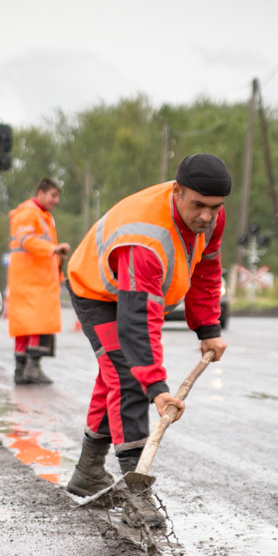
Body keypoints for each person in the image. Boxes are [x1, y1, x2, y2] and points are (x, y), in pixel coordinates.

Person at [63, 153, 231, 526]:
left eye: (215, 208)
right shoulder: (144, 238)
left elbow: (207, 268)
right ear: (177, 191)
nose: (207, 216)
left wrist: (208, 328)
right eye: (198, 205)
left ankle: (88, 471)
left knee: (115, 372)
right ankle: (136, 493)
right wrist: (156, 388)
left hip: (135, 293)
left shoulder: (210, 217)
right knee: (128, 376)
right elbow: (138, 323)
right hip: (97, 292)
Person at [7, 178, 70, 385]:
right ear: (40, 194)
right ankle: (30, 369)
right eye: (53, 195)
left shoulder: (42, 216)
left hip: (36, 280)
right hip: (32, 281)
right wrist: (53, 249)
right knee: (35, 325)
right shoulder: (29, 213)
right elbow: (26, 240)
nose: (56, 200)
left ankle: (22, 370)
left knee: (28, 326)